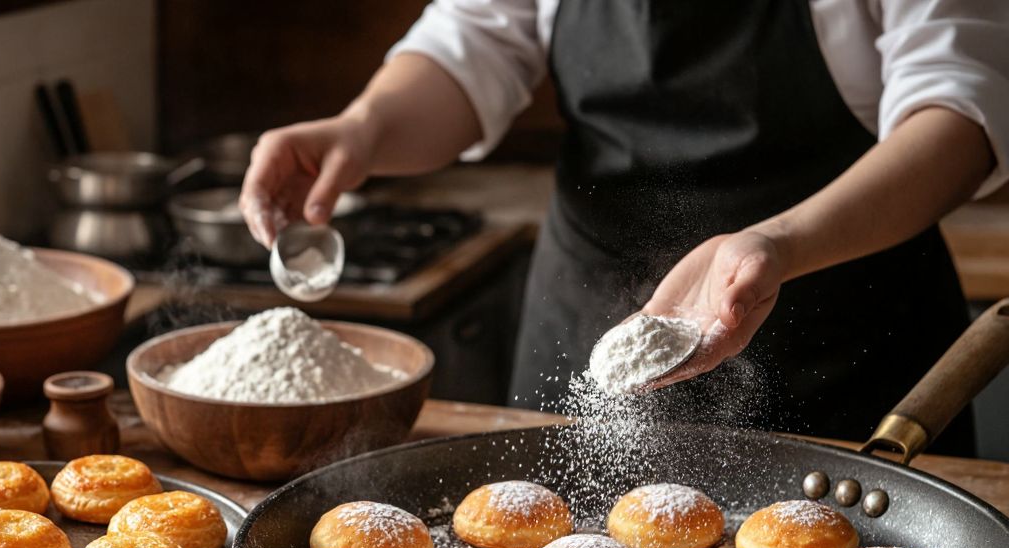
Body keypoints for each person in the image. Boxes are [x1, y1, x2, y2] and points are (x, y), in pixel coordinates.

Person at [239, 0, 1009, 455]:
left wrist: (781, 241)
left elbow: (962, 110)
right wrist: (365, 127)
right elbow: (471, 43)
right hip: (592, 307)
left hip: (841, 321)